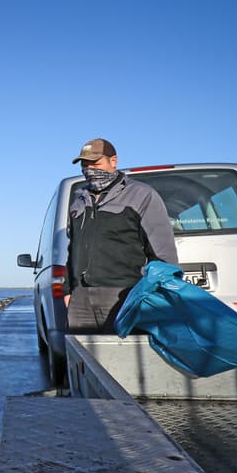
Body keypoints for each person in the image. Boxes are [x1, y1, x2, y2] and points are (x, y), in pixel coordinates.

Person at [64, 138, 178, 333]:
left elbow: (162, 253)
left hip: (123, 296)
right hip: (80, 300)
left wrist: (158, 296)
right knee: (82, 360)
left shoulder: (142, 195)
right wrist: (68, 290)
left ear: (113, 161)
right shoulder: (79, 200)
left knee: (123, 358)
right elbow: (72, 249)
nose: (90, 170)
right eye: (85, 165)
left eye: (96, 164)